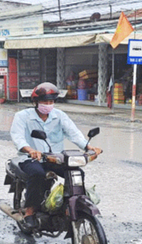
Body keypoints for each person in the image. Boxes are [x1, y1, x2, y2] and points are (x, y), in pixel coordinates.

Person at [10, 82, 102, 230]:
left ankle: (67, 206)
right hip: (30, 158)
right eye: (44, 102)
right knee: (37, 174)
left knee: (77, 173)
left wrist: (88, 146)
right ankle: (29, 212)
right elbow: (17, 137)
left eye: (51, 102)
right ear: (36, 102)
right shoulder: (22, 116)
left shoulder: (59, 116)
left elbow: (73, 133)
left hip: (55, 158)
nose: (48, 105)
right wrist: (30, 149)